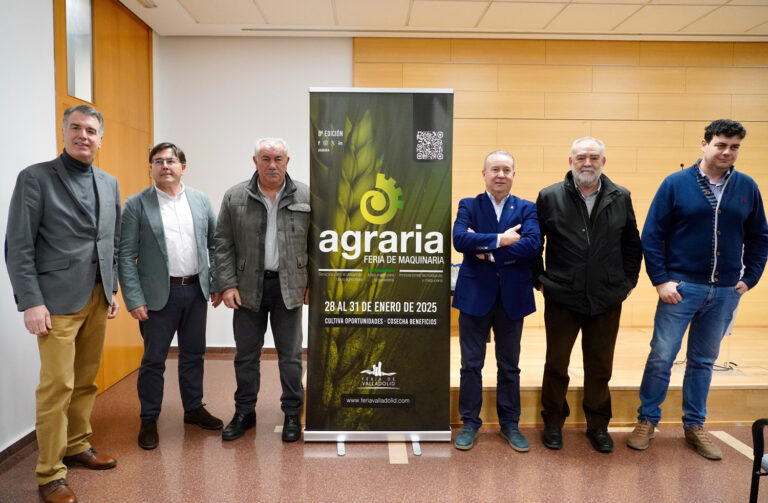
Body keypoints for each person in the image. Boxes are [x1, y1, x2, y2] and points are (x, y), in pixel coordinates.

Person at [627, 119, 768, 460]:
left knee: (703, 361)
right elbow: (652, 236)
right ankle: (647, 421)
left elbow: (760, 236)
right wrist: (661, 280)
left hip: (723, 292)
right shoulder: (675, 184)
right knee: (661, 356)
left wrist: (749, 279)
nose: (727, 152)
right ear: (704, 145)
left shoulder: (747, 187)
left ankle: (694, 426)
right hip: (680, 288)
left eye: (734, 147)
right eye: (721, 144)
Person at [6, 105, 121, 503]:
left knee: (87, 380)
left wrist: (112, 288)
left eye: (91, 130)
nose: (83, 135)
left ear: (100, 139)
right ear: (64, 132)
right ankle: (49, 473)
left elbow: (111, 241)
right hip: (54, 302)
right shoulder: (36, 178)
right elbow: (18, 245)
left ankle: (76, 444)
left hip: (96, 297)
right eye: (76, 127)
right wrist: (30, 302)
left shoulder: (110, 183)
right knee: (57, 386)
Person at [534, 137, 642, 453]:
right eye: (581, 157)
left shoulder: (621, 197)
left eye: (594, 157)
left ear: (603, 162)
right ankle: (553, 424)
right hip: (562, 297)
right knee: (556, 364)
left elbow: (632, 245)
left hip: (606, 298)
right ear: (570, 160)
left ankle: (598, 426)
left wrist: (627, 284)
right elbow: (533, 243)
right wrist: (539, 280)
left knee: (600, 367)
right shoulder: (550, 196)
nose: (587, 163)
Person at [119, 142, 224, 451]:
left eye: (171, 160)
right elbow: (126, 256)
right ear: (150, 167)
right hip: (156, 296)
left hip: (195, 291)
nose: (165, 165)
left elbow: (215, 245)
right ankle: (149, 417)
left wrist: (216, 282)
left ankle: (193, 408)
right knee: (153, 361)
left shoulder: (201, 201)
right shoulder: (136, 204)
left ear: (183, 167)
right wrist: (134, 298)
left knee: (193, 355)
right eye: (158, 161)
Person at [214, 138, 310, 443]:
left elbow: (318, 246)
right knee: (246, 355)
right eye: (265, 158)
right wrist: (227, 284)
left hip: (290, 287)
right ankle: (244, 412)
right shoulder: (235, 196)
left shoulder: (306, 195)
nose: (272, 164)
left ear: (287, 161)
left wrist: (313, 286)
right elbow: (222, 244)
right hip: (247, 289)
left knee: (291, 356)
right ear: (254, 161)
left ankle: (293, 412)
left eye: (278, 158)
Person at [451, 150, 541, 452]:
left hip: (512, 298)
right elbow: (460, 239)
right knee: (470, 365)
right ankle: (469, 423)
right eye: (494, 169)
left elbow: (532, 244)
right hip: (475, 296)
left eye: (506, 170)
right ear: (484, 174)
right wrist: (502, 239)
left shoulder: (527, 208)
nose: (500, 174)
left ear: (514, 174)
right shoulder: (469, 205)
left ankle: (510, 424)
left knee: (509, 365)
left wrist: (487, 248)